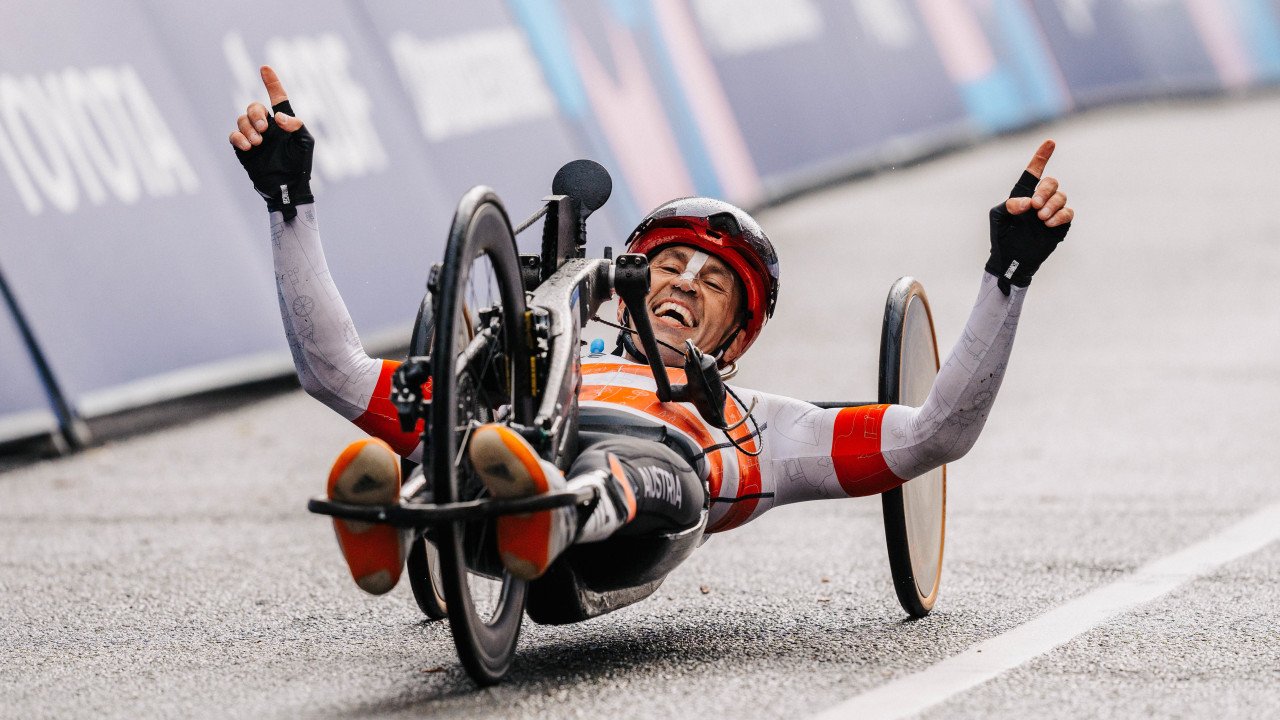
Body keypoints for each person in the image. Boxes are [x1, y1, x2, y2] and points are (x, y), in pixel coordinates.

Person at [230, 67, 1074, 594]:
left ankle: (552, 507)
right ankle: (394, 513)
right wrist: (286, 202)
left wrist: (1010, 273)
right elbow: (332, 371)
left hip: (630, 526)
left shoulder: (767, 425)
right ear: (627, 283)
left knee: (654, 464)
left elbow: (934, 436)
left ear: (737, 339)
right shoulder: (546, 347)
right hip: (503, 474)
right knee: (465, 414)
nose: (683, 286)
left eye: (713, 285)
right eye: (668, 267)